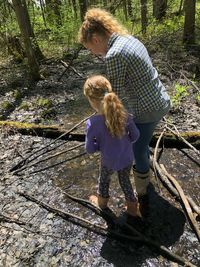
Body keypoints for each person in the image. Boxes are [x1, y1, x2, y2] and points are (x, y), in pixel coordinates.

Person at [79, 8, 171, 216]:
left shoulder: (115, 54)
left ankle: (142, 195)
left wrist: (101, 119)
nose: (95, 55)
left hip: (147, 109)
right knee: (142, 142)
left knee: (138, 149)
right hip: (159, 99)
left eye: (91, 50)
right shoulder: (128, 39)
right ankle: (142, 186)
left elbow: (115, 95)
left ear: (95, 38)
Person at [83, 75, 140, 218]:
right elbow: (135, 136)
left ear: (92, 101)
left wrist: (99, 146)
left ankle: (102, 204)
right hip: (126, 157)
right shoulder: (124, 115)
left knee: (103, 181)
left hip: (108, 161)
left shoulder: (92, 123)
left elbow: (89, 149)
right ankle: (133, 208)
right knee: (125, 181)